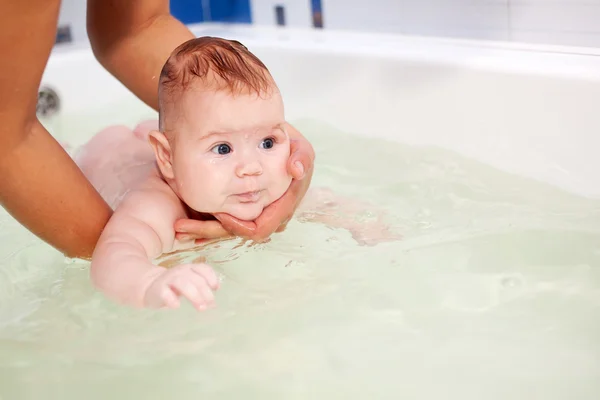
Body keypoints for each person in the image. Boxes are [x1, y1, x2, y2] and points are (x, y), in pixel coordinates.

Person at [0, 1, 314, 260]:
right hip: (105, 153)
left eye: (268, 143)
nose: (251, 168)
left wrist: (292, 154)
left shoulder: (233, 167)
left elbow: (135, 30)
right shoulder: (153, 206)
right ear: (166, 157)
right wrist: (151, 261)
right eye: (223, 149)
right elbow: (6, 133)